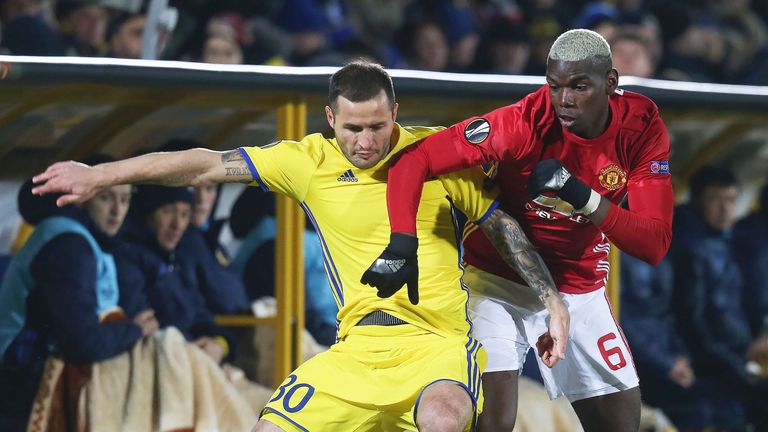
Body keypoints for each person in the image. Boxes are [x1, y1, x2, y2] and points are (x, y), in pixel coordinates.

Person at [31, 60, 569, 432]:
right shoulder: (306, 161)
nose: (366, 142)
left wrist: (551, 297)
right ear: (332, 119)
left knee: (444, 417)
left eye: (379, 127)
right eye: (354, 128)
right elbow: (202, 163)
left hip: (437, 346)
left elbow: (502, 225)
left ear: (395, 114)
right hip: (356, 351)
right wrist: (101, 174)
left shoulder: (438, 153)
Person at [366, 29, 673, 431]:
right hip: (497, 283)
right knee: (494, 424)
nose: (564, 99)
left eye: (580, 86)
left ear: (611, 84)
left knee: (621, 425)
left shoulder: (641, 125)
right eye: (555, 85)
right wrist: (402, 240)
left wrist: (581, 195)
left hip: (579, 289)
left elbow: (653, 244)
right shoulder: (521, 123)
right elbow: (413, 159)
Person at [0, 178, 156, 431]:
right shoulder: (69, 247)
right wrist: (135, 330)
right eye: (106, 198)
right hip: (24, 382)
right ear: (82, 199)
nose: (117, 211)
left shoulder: (80, 239)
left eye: (125, 200)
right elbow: (82, 340)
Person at [671, 166, 768, 430]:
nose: (725, 209)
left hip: (733, 354)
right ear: (696, 201)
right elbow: (694, 323)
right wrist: (740, 364)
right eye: (716, 200)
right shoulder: (693, 249)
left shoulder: (722, 240)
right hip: (715, 364)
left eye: (732, 200)